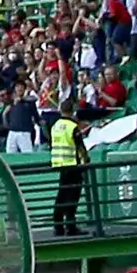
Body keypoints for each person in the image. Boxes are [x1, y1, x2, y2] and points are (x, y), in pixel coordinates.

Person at [47, 99, 87, 235]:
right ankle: (71, 226)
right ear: (73, 111)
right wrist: (86, 160)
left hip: (59, 163)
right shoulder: (73, 127)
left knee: (61, 196)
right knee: (73, 196)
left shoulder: (54, 126)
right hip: (72, 164)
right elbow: (80, 147)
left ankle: (58, 227)